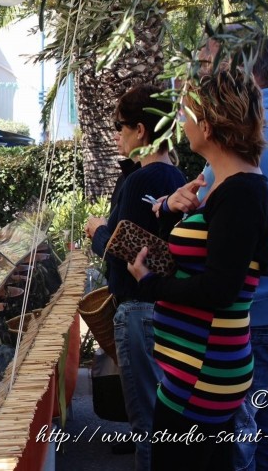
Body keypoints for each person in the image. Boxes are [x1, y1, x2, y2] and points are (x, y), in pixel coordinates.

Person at [166, 33, 268, 471]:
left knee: (260, 438)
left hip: (266, 307)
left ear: (242, 72)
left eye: (206, 66)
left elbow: (231, 223)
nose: (200, 78)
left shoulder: (265, 133)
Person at [130, 68, 268, 471]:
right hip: (196, 369)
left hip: (204, 371)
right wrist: (170, 212)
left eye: (185, 114)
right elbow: (199, 261)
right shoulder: (227, 188)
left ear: (207, 126)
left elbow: (220, 289)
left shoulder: (240, 193)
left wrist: (149, 283)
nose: (179, 123)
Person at [84, 84, 186, 470]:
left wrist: (98, 232)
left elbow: (132, 249)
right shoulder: (173, 174)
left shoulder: (144, 180)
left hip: (140, 312)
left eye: (120, 126)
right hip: (164, 309)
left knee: (148, 425)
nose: (115, 134)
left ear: (141, 130)